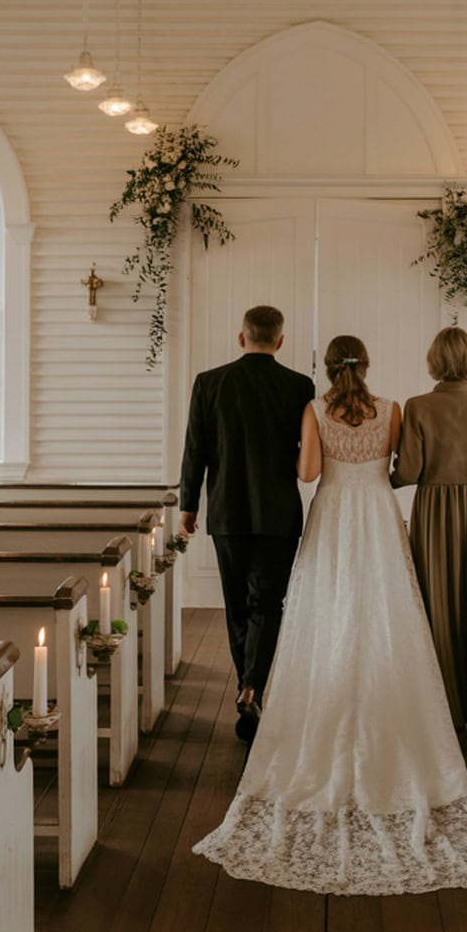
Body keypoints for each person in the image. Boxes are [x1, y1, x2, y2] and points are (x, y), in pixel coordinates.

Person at [193, 334, 467, 895]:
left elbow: (309, 475)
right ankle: (384, 694)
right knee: (387, 610)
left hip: (334, 515)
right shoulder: (393, 409)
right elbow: (397, 466)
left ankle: (326, 690)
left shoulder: (314, 408)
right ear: (367, 366)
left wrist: (313, 450)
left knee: (326, 613)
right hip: (377, 515)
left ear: (326, 368)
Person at [179, 304, 315, 742]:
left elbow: (195, 449)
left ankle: (246, 685)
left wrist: (189, 506)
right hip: (278, 513)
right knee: (268, 605)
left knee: (237, 605)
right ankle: (254, 685)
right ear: (280, 341)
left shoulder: (209, 383)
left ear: (242, 338)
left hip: (227, 512)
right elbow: (305, 454)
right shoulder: (299, 386)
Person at [391, 326, 467, 727]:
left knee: (437, 597)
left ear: (434, 361)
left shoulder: (418, 406)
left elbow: (408, 473)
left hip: (436, 510)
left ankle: (446, 705)